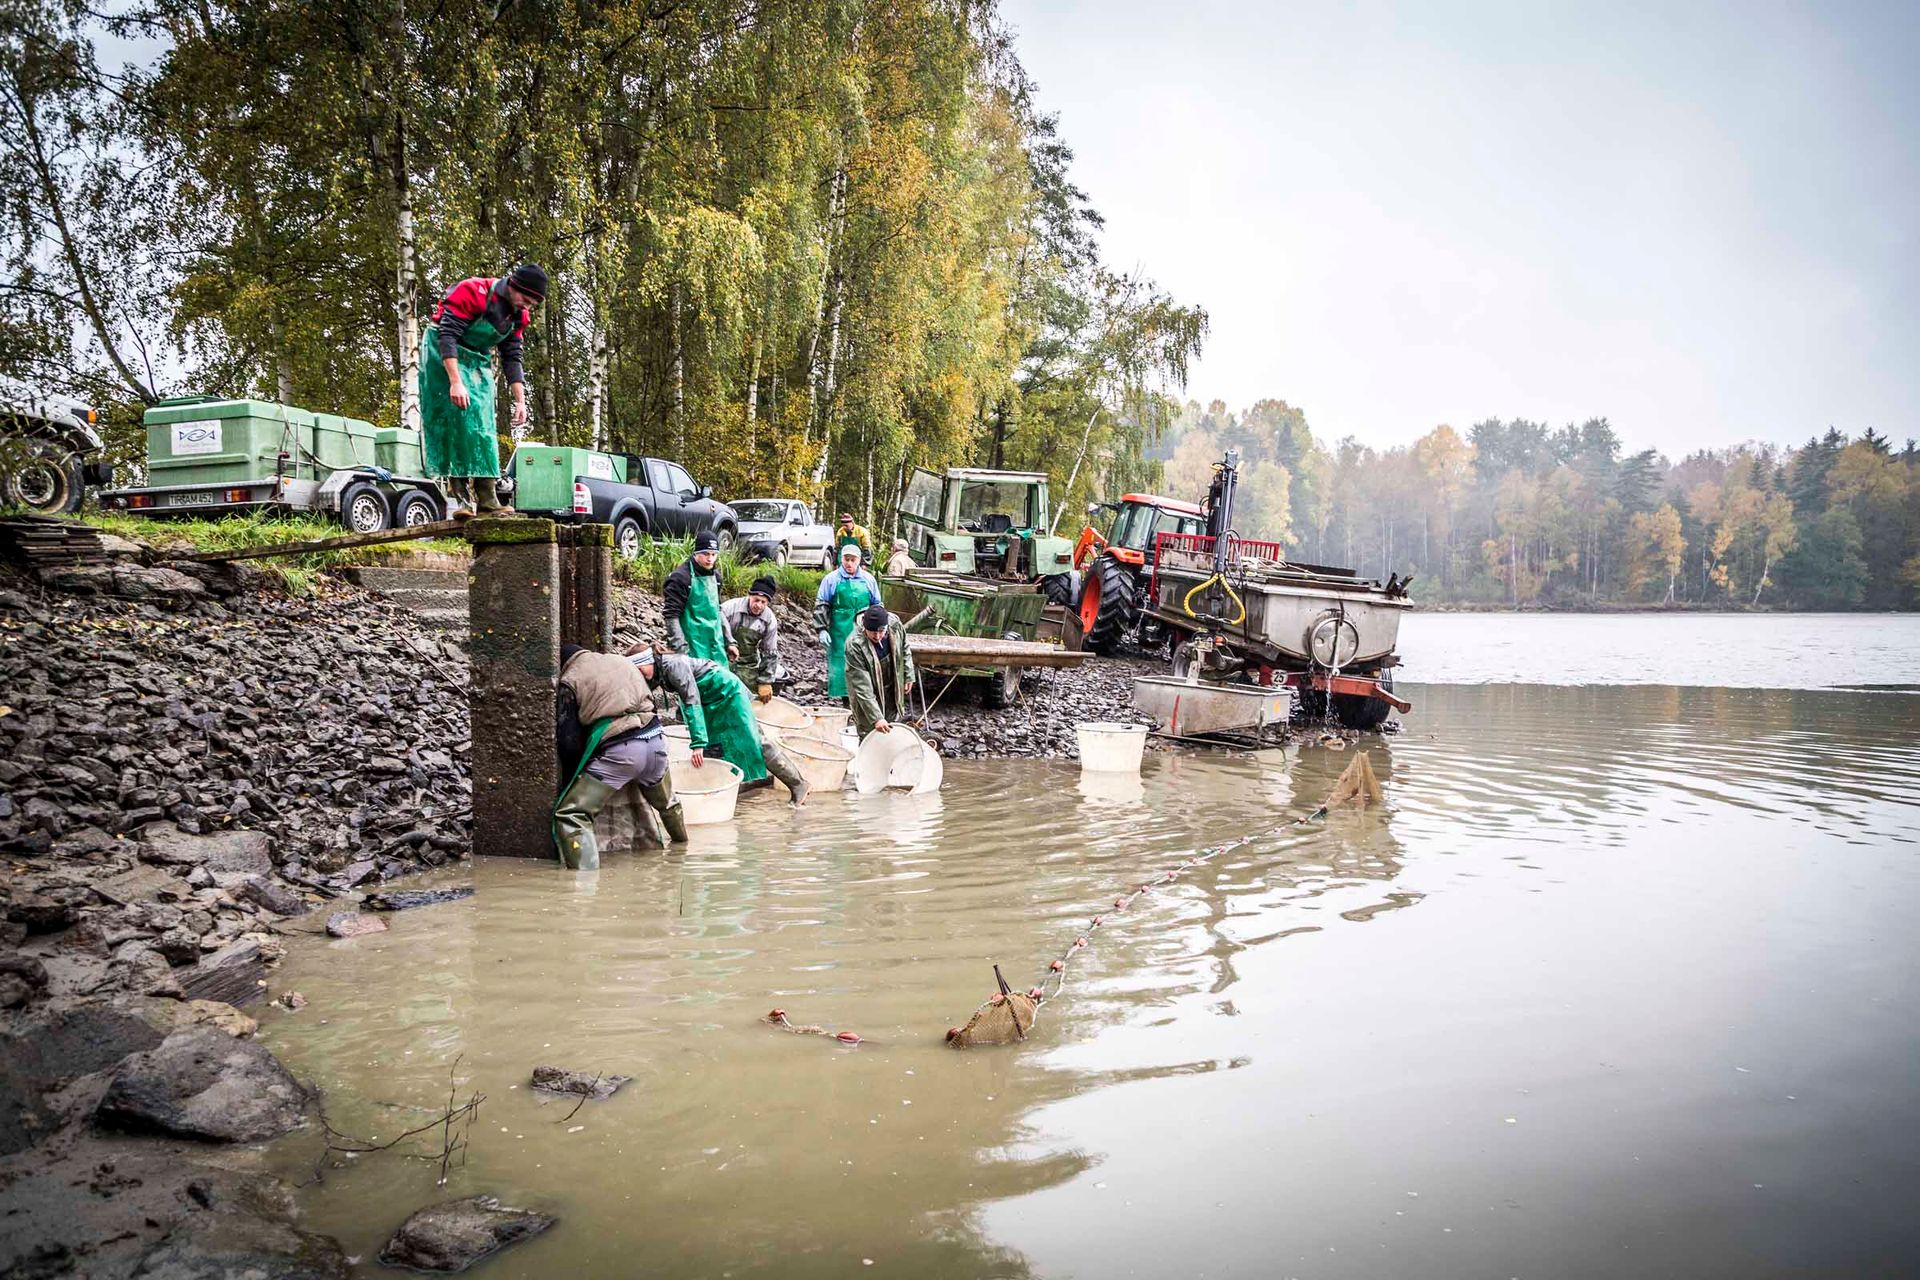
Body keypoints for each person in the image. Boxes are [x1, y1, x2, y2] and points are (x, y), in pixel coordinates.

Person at [420, 264, 546, 516]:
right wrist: (455, 382)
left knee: (484, 423)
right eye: (525, 299)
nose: (527, 306)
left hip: (476, 358)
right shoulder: (473, 291)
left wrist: (520, 401)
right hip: (443, 352)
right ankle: (462, 499)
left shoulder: (519, 316)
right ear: (513, 286)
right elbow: (448, 335)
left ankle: (488, 499)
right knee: (457, 419)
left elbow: (512, 356)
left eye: (533, 303)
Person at [553, 643, 688, 870]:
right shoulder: (622, 661)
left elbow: (569, 743)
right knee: (667, 803)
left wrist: (575, 778)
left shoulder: (570, 677)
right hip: (656, 743)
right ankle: (682, 851)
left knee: (572, 814)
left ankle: (583, 886)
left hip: (622, 753)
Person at [628, 642, 809, 805]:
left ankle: (798, 784)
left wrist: (697, 743)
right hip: (709, 701)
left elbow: (691, 699)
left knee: (754, 742)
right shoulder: (654, 670)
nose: (640, 676)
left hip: (728, 693)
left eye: (640, 671)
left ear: (648, 661)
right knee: (714, 749)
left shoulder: (674, 664)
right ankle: (720, 795)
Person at [813, 544, 882, 699]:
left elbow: (877, 605)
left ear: (859, 560)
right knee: (840, 663)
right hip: (839, 630)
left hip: (864, 630)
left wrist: (878, 628)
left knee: (864, 661)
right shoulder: (831, 579)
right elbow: (822, 605)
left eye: (853, 560)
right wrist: (822, 629)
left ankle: (865, 696)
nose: (849, 563)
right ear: (841, 559)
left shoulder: (869, 580)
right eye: (846, 559)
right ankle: (844, 699)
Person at [662, 531, 735, 668]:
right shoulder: (680, 578)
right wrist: (680, 648)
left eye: (714, 555)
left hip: (715, 644)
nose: (710, 559)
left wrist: (730, 641)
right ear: (696, 553)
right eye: (706, 554)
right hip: (691, 645)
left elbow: (718, 610)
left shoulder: (717, 578)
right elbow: (671, 615)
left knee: (722, 681)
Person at [844, 605, 917, 737]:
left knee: (891, 726)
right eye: (872, 632)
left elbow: (905, 647)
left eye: (881, 631)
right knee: (869, 731)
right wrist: (876, 718)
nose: (877, 636)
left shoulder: (894, 624)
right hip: (866, 691)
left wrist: (908, 674)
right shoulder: (854, 644)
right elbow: (862, 686)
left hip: (890, 685)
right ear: (864, 628)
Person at [721, 576, 784, 700]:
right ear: (749, 596)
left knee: (747, 698)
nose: (758, 605)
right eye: (756, 600)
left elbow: (769, 652)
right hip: (722, 656)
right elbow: (712, 633)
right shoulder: (729, 608)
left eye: (763, 602)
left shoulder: (769, 620)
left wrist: (765, 681)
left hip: (748, 663)